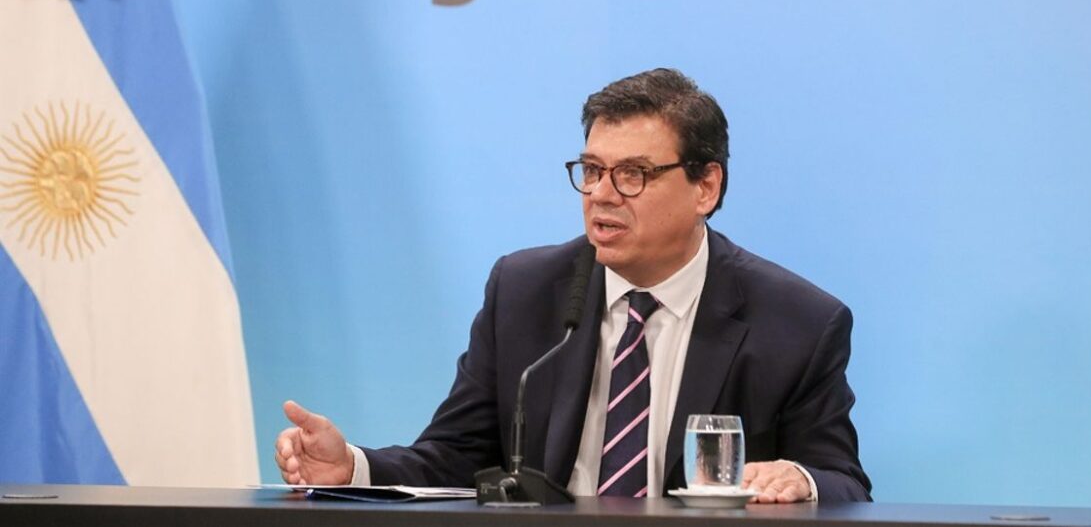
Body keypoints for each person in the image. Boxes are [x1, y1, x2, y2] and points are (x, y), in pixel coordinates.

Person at [275, 68, 871, 502]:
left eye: (633, 174)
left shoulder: (795, 323)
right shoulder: (525, 291)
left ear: (705, 188)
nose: (601, 195)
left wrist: (800, 478)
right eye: (591, 170)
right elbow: (456, 456)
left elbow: (843, 481)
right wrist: (352, 469)